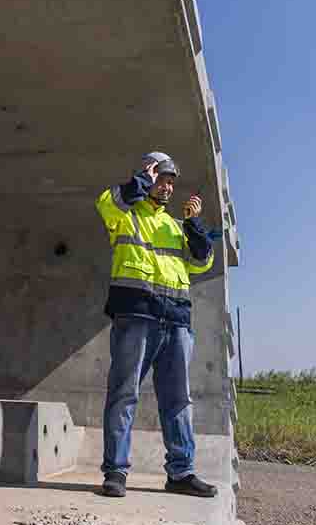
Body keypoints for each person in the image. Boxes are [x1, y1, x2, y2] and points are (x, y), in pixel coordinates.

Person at [94, 151, 217, 498]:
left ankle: (181, 473)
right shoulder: (126, 214)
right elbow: (107, 204)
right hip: (136, 315)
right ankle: (116, 472)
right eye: (162, 178)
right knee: (124, 394)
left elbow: (201, 261)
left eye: (171, 182)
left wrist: (194, 223)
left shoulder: (175, 225)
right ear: (148, 176)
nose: (167, 187)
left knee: (178, 400)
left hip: (176, 320)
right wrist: (139, 181)